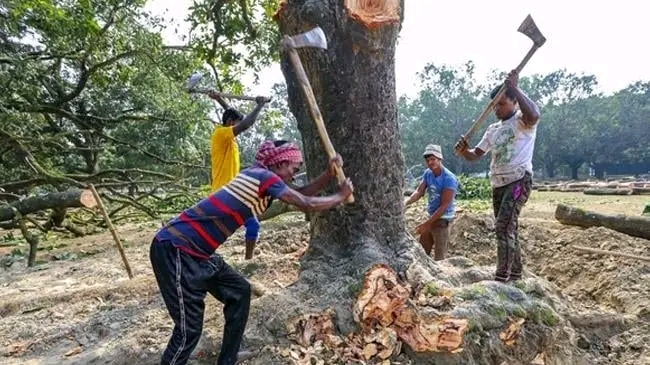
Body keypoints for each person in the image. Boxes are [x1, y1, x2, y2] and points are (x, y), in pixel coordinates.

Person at [150, 140, 353, 365]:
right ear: (281, 164)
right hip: (176, 248)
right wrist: (340, 196)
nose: (294, 176)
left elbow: (299, 194)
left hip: (199, 253)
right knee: (189, 330)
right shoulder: (262, 177)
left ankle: (228, 359)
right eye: (294, 170)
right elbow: (304, 202)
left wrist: (328, 174)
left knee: (240, 291)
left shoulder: (262, 179)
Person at [454, 69, 541, 282]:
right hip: (498, 184)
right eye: (495, 106)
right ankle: (516, 273)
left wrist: (515, 88)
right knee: (509, 226)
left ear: (514, 103)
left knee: (503, 226)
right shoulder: (493, 129)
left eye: (502, 104)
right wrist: (464, 150)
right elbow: (475, 155)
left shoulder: (523, 121)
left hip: (519, 180)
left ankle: (502, 276)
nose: (497, 109)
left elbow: (535, 114)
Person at [208, 92, 268, 259]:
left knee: (253, 224)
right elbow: (246, 124)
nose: (239, 128)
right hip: (222, 193)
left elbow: (232, 114)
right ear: (230, 123)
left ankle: (248, 261)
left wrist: (220, 99)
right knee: (213, 229)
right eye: (236, 124)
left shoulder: (229, 137)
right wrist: (260, 105)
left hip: (233, 192)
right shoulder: (221, 134)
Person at [404, 144, 459, 260]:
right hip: (431, 216)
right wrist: (405, 203)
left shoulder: (449, 178)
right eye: (428, 160)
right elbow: (419, 192)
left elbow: (445, 205)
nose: (430, 163)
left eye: (433, 159)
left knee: (440, 258)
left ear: (440, 159)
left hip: (443, 219)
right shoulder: (428, 173)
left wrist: (427, 224)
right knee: (422, 253)